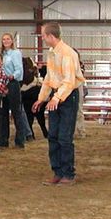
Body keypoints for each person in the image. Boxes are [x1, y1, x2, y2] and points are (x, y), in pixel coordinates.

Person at [33, 22, 85, 186]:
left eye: (43, 35)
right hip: (56, 96)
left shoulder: (67, 54)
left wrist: (56, 98)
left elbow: (69, 81)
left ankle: (68, 174)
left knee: (64, 137)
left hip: (68, 97)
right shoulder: (52, 53)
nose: (42, 38)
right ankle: (57, 172)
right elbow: (49, 78)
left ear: (50, 36)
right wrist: (42, 98)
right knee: (53, 135)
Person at [0, 33, 28, 148]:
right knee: (3, 113)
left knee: (16, 112)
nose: (5, 41)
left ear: (12, 41)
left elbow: (19, 70)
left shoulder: (15, 53)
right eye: (4, 39)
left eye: (8, 39)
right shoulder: (2, 54)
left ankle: (20, 140)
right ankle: (3, 140)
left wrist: (12, 76)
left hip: (12, 84)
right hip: (2, 84)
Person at [74, 49, 87, 138]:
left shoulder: (80, 65)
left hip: (77, 87)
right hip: (71, 87)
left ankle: (81, 131)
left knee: (79, 109)